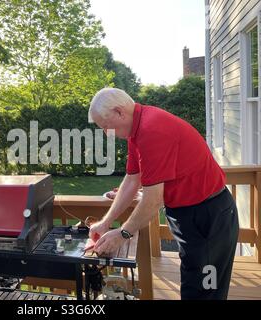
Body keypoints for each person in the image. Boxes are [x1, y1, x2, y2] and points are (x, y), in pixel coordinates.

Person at [88, 88, 239, 300]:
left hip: (208, 217)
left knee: (205, 289)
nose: (106, 133)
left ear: (119, 112)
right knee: (194, 282)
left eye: (105, 126)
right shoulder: (136, 131)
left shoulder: (152, 130)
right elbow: (132, 180)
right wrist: (106, 222)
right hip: (187, 214)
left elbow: (154, 198)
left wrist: (123, 234)